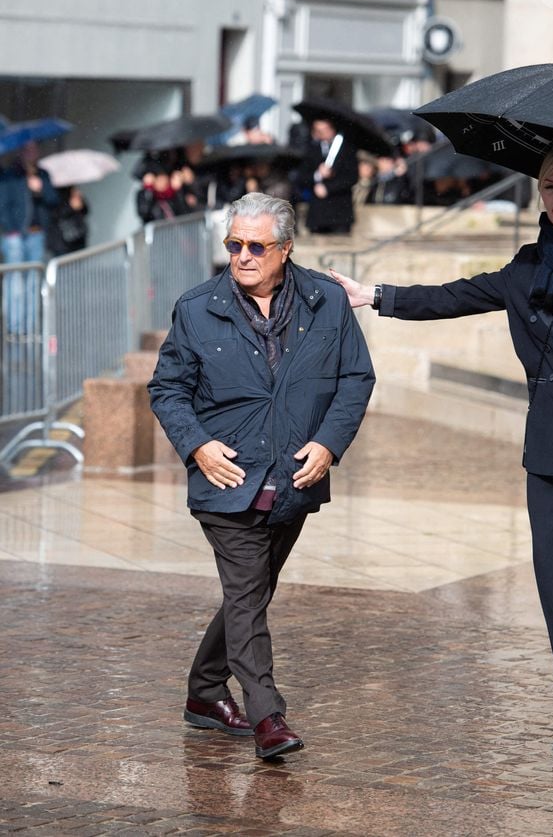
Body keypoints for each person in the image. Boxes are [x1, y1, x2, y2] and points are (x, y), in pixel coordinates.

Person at [330, 145, 553, 762]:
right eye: (550, 186)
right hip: (549, 448)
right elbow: (453, 296)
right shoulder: (526, 270)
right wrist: (375, 295)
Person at [148, 192, 375, 759]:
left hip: (294, 478)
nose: (242, 256)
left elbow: (355, 378)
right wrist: (197, 446)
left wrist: (329, 442)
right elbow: (167, 388)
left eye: (256, 245)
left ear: (286, 248)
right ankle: (267, 715)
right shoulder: (198, 307)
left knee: (248, 593)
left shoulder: (326, 301)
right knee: (248, 591)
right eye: (233, 245)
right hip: (227, 478)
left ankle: (203, 693)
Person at [0, 141, 58, 335]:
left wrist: (40, 189)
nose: (30, 153)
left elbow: (53, 200)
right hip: (15, 236)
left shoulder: (43, 174)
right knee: (14, 282)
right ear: (20, 152)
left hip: (36, 234)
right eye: (26, 149)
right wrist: (12, 229)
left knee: (33, 281)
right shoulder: (9, 175)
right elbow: (3, 205)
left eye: (33, 149)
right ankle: (14, 330)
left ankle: (30, 328)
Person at [294, 118, 359, 234]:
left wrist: (328, 188)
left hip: (340, 213)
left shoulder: (347, 149)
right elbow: (301, 177)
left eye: (325, 130)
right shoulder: (311, 149)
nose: (322, 134)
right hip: (318, 214)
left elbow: (352, 177)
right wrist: (317, 175)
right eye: (318, 130)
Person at [47, 186, 89, 256]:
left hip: (78, 237)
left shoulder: (73, 191)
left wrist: (80, 200)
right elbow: (53, 215)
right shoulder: (52, 192)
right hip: (61, 241)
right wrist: (70, 206)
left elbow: (86, 211)